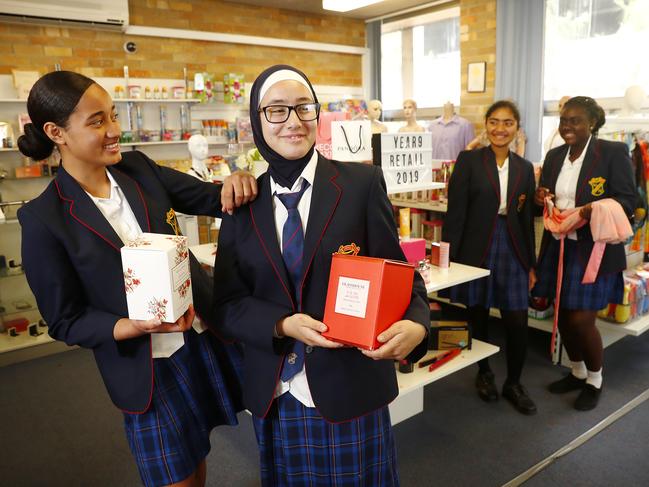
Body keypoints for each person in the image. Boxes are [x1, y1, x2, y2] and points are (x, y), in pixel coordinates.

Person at [16, 71, 257, 487]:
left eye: (113, 116)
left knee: (198, 451)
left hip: (201, 337)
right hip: (147, 366)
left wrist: (235, 182)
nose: (114, 131)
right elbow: (65, 319)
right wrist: (130, 325)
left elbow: (211, 198)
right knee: (174, 474)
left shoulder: (138, 168)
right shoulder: (43, 219)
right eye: (97, 122)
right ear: (57, 133)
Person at [212, 64, 429, 486]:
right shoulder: (242, 204)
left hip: (350, 387)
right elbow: (226, 307)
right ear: (257, 122)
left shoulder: (361, 185)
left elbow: (403, 276)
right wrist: (280, 324)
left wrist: (418, 325)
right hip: (277, 392)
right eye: (276, 110)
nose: (293, 122)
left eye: (303, 107)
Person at [533, 96, 636, 411]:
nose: (567, 126)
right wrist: (542, 196)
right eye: (564, 120)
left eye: (575, 120)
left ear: (592, 123)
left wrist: (595, 210)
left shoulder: (612, 153)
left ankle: (595, 378)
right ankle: (576, 372)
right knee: (563, 314)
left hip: (594, 250)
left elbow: (627, 202)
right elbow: (546, 196)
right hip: (559, 246)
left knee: (581, 320)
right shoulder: (553, 157)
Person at [442, 100, 538, 415]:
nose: (500, 129)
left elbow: (525, 220)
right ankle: (484, 373)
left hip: (512, 247)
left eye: (508, 123)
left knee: (516, 318)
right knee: (478, 312)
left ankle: (514, 382)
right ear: (486, 124)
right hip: (476, 246)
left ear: (516, 128)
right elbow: (455, 214)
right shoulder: (469, 161)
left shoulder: (524, 167)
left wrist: (531, 264)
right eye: (494, 121)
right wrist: (449, 259)